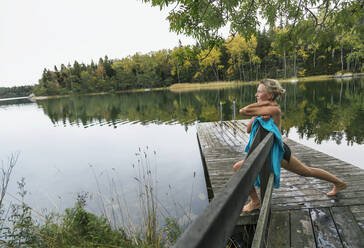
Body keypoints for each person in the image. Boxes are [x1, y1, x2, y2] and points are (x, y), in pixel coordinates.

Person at [233, 79, 347, 212]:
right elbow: (248, 129)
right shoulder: (264, 109)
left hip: (276, 153)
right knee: (306, 171)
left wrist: (261, 106)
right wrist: (257, 114)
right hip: (269, 151)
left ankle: (255, 201)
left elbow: (243, 110)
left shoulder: (273, 109)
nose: (256, 95)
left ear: (270, 95)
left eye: (259, 92)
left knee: (306, 172)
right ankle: (339, 183)